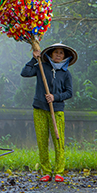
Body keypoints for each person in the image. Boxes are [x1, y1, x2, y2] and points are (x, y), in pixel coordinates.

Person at [21, 43, 76, 183]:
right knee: (42, 142)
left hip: (56, 111)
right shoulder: (41, 67)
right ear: (50, 54)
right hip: (39, 109)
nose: (58, 55)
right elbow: (25, 73)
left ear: (65, 56)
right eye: (56, 52)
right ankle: (46, 172)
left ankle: (59, 171)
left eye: (61, 53)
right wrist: (34, 59)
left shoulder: (66, 73)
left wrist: (54, 97)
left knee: (59, 141)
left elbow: (69, 92)